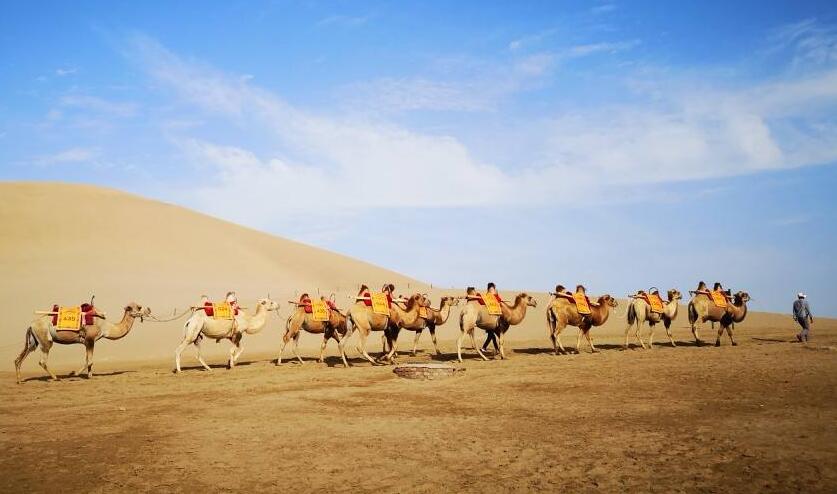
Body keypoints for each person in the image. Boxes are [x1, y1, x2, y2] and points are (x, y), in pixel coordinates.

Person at [481, 282, 502, 354]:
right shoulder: (488, 296)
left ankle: (495, 349)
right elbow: (498, 300)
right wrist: (496, 294)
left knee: (492, 336)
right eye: (493, 288)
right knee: (491, 336)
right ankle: (485, 348)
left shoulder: (488, 296)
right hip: (490, 319)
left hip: (491, 318)